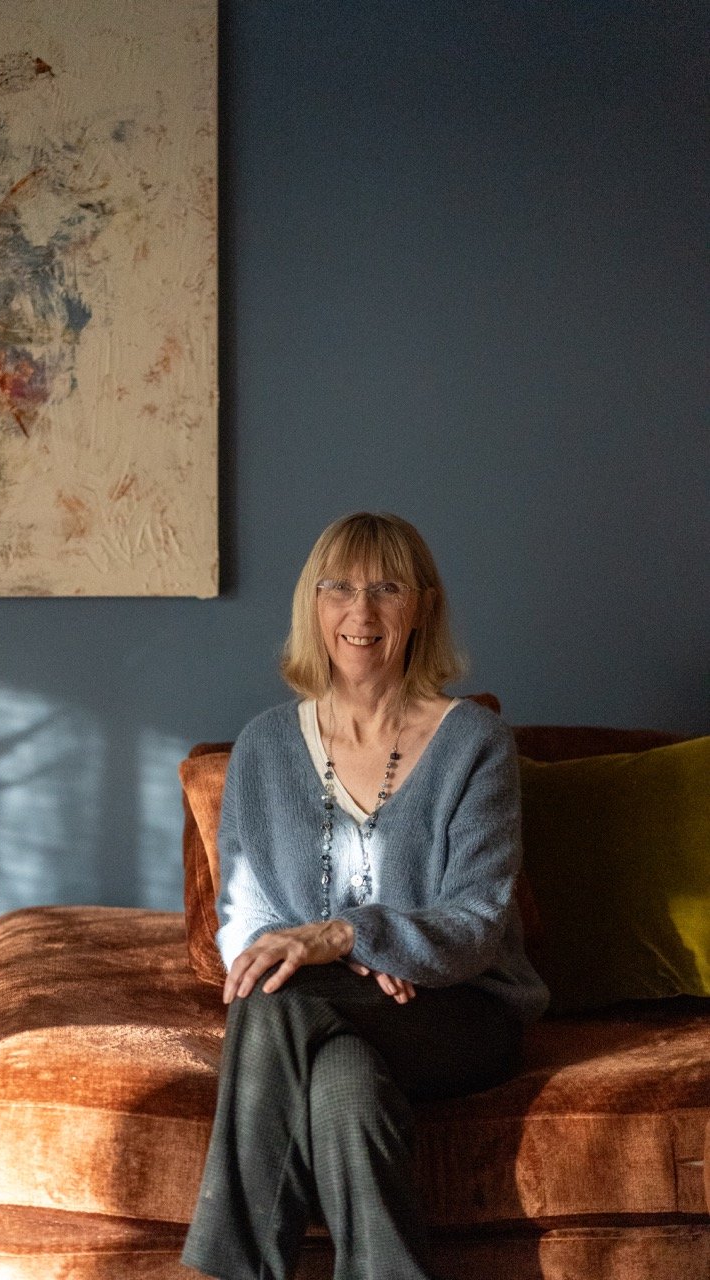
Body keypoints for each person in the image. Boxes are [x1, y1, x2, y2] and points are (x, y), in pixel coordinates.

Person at [182, 511, 549, 1280]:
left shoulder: (474, 744)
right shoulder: (264, 746)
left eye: (386, 588)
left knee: (277, 996)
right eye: (339, 588)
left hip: (459, 1009)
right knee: (342, 1088)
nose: (361, 610)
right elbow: (245, 915)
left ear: (421, 607)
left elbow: (477, 923)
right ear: (312, 605)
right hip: (329, 1004)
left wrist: (349, 935)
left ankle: (227, 1271)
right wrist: (339, 956)